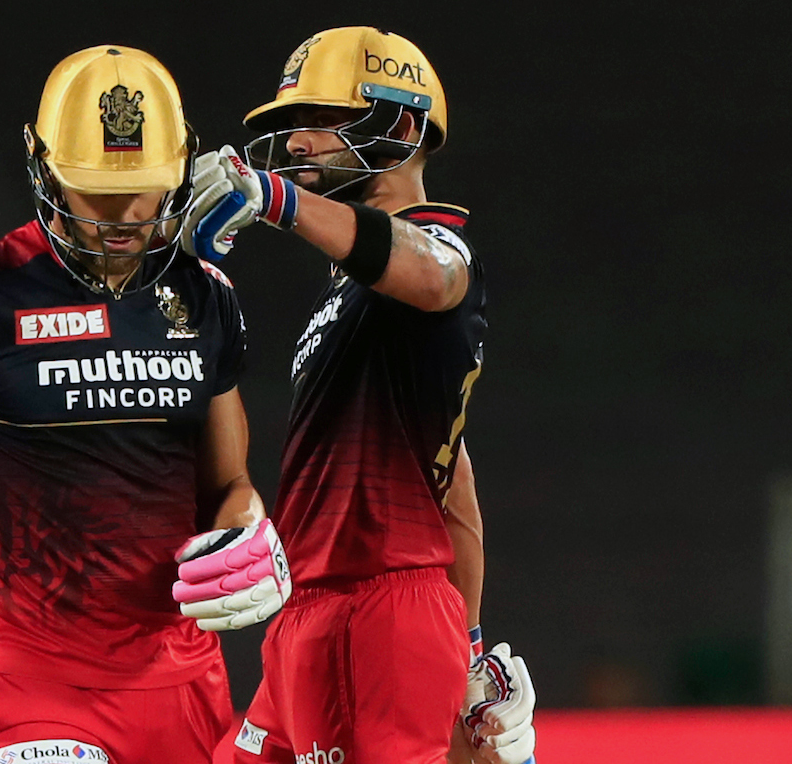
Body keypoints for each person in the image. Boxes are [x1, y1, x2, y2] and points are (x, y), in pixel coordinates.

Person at [0, 45, 291, 764]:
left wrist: (248, 536)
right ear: (42, 166)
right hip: (32, 684)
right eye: (95, 190)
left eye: (144, 189)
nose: (123, 214)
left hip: (186, 683)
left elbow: (229, 483)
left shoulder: (206, 297)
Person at [180, 27, 537, 764]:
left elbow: (436, 272)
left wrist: (275, 198)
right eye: (292, 125)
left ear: (402, 128)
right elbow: (453, 484)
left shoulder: (439, 248)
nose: (297, 142)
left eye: (321, 119)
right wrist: (469, 649)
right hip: (316, 608)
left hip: (374, 609)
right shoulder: (353, 292)